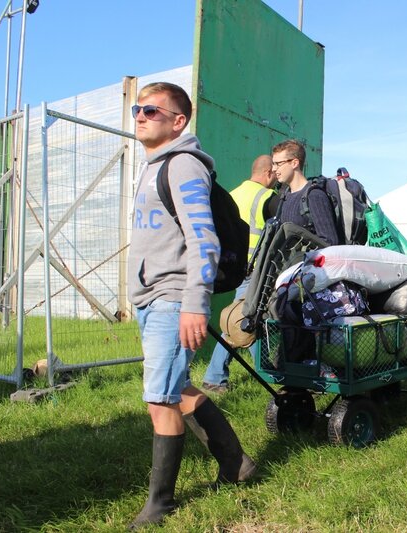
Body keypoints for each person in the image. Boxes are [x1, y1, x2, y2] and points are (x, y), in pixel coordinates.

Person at [127, 82, 256, 528]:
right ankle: (237, 464)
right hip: (151, 298)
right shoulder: (151, 167)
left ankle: (159, 505)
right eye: (136, 109)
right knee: (177, 388)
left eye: (151, 110)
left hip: (173, 299)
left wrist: (194, 305)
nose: (140, 115)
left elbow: (204, 241)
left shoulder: (183, 166)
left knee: (159, 400)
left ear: (178, 121)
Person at [202, 155, 278, 393]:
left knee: (248, 320)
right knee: (241, 322)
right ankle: (216, 377)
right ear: (268, 174)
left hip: (234, 267)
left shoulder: (232, 194)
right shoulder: (268, 197)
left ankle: (267, 372)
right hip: (255, 269)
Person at [272, 139, 339, 246]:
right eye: (273, 164)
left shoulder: (314, 196)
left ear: (294, 163)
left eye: (278, 164)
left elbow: (330, 242)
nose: (274, 169)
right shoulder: (285, 197)